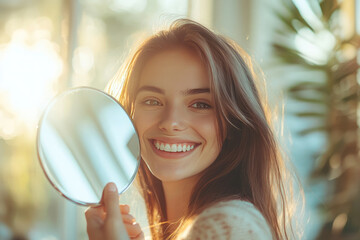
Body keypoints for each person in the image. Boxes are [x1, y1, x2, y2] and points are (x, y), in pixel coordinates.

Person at [85, 19, 302, 240]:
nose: (170, 122)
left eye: (200, 104)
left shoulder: (228, 225)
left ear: (233, 125)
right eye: (152, 101)